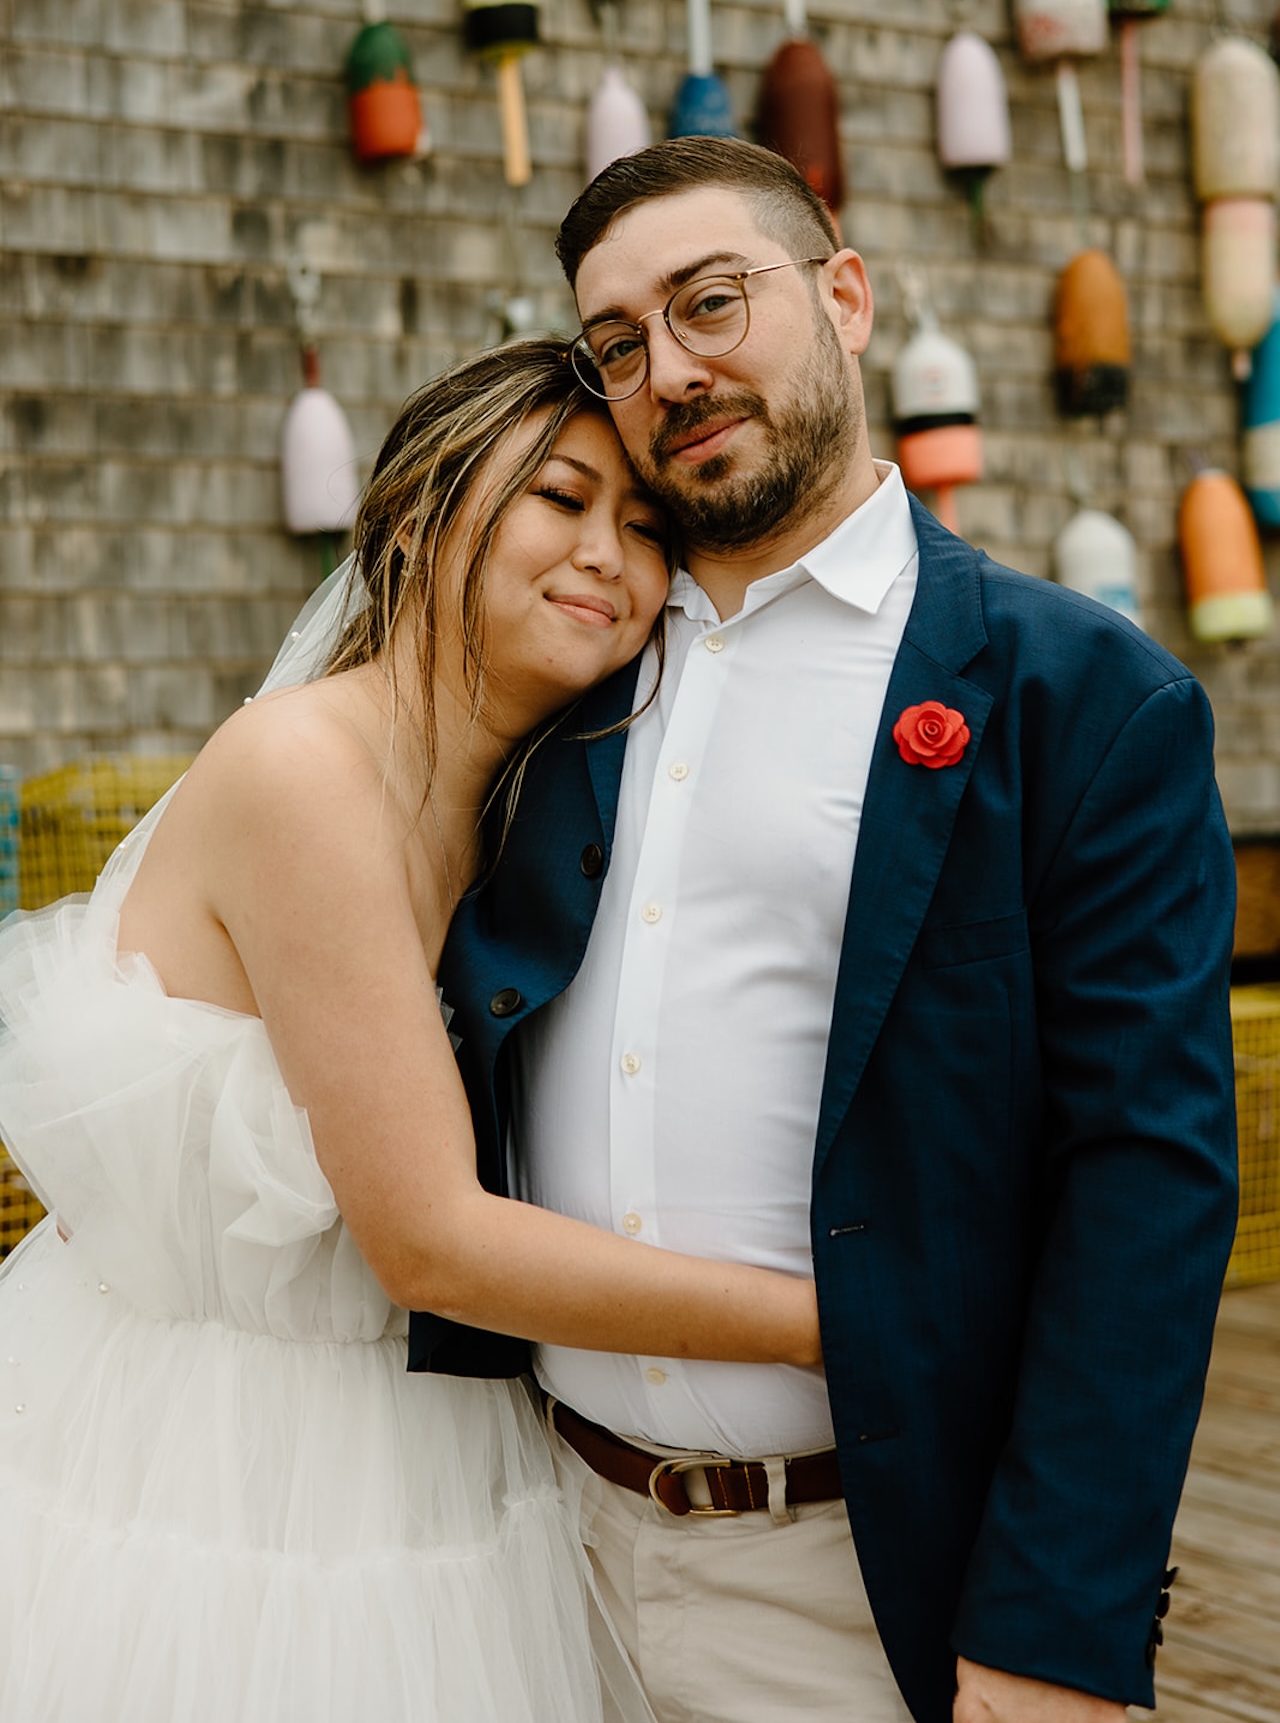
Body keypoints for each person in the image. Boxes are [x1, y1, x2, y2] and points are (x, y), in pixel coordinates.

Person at [430, 142, 1240, 1723]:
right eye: (617, 344)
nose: (669, 371)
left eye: (709, 303)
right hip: (528, 1547)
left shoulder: (1084, 700)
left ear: (846, 298)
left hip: (864, 1576)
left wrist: (1057, 1624)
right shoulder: (557, 677)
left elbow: (1145, 1181)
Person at [0, 337, 823, 1723]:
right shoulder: (305, 772)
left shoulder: (535, 808)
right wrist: (835, 1325)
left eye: (644, 528)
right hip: (227, 1460)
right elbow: (428, 1238)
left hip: (441, 1437)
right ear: (423, 515)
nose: (607, 555)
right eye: (559, 498)